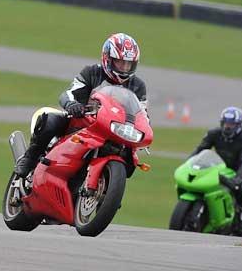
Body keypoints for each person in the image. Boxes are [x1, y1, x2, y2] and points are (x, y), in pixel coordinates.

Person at [14, 32, 146, 177]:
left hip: (115, 131)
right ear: (107, 58)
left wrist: (143, 131)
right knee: (50, 120)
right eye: (120, 62)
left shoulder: (137, 86)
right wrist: (72, 104)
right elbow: (69, 93)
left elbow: (142, 115)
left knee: (131, 160)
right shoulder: (92, 72)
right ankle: (29, 158)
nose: (124, 68)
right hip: (83, 123)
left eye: (129, 64)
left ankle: (106, 195)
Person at [189, 107, 242, 236]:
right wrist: (189, 164)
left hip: (239, 170)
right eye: (225, 123)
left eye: (231, 124)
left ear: (239, 125)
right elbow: (200, 150)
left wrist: (238, 179)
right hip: (219, 167)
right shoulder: (214, 133)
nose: (227, 127)